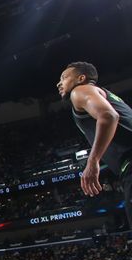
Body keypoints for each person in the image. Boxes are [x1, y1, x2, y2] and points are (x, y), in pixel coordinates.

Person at [57, 62, 132, 228]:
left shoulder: (80, 91)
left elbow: (108, 116)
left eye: (64, 78)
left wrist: (92, 162)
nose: (59, 83)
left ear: (81, 78)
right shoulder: (106, 95)